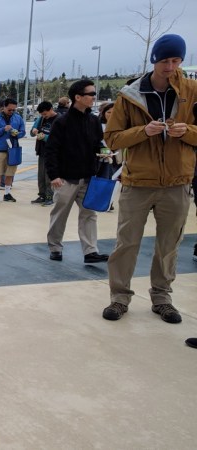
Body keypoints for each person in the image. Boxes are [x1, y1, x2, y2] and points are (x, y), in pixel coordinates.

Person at [102, 34, 197, 323]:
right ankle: (119, 297)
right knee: (126, 243)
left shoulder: (192, 90)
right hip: (137, 183)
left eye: (176, 60)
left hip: (177, 182)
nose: (170, 67)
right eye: (165, 60)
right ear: (154, 59)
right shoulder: (129, 95)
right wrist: (144, 131)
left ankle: (162, 297)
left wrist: (188, 132)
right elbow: (112, 139)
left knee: (169, 244)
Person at [44, 79, 110, 264]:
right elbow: (52, 150)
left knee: (89, 214)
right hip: (65, 179)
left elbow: (98, 143)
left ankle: (90, 251)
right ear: (78, 97)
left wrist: (104, 153)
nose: (94, 98)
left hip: (88, 178)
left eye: (94, 94)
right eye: (90, 94)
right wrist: (54, 175)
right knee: (59, 215)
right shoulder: (62, 122)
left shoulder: (93, 121)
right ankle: (55, 247)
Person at [0, 98, 24, 202]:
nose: (12, 112)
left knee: (10, 173)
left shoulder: (18, 118)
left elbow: (23, 132)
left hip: (13, 149)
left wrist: (17, 133)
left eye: (14, 110)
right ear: (4, 107)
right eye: (9, 110)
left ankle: (7, 194)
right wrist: (3, 129)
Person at [30, 101, 57, 206]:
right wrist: (34, 131)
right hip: (41, 151)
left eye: (45, 114)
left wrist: (44, 137)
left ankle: (50, 197)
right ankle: (42, 195)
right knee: (41, 175)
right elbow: (32, 132)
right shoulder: (40, 119)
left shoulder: (58, 120)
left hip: (53, 152)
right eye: (42, 114)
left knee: (49, 175)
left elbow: (59, 137)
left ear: (51, 109)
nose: (44, 116)